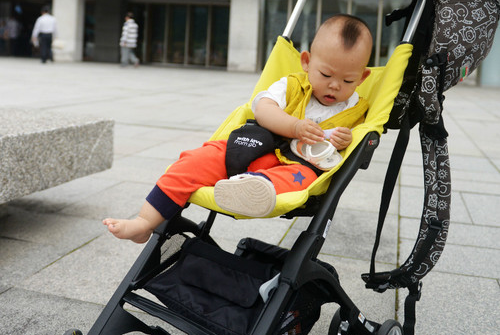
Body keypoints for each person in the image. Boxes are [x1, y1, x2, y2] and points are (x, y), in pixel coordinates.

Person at [103, 14, 372, 243]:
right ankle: (144, 222)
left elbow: (344, 146)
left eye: (348, 80)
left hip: (295, 166)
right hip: (255, 145)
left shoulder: (357, 108)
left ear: (362, 77)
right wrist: (293, 126)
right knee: (195, 161)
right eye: (326, 75)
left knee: (297, 179)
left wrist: (342, 139)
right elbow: (263, 109)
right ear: (306, 62)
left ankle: (250, 189)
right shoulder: (290, 85)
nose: (335, 86)